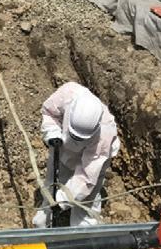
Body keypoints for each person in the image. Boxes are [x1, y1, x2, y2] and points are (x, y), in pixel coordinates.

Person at [32, 82, 120, 228]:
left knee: (87, 198)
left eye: (80, 137)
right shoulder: (68, 94)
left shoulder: (105, 134)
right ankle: (43, 221)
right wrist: (52, 132)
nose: (77, 140)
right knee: (52, 184)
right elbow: (49, 113)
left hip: (95, 157)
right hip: (63, 146)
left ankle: (84, 230)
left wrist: (62, 201)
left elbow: (86, 177)